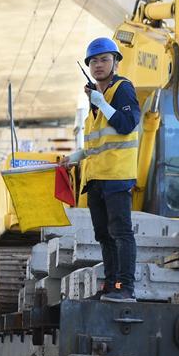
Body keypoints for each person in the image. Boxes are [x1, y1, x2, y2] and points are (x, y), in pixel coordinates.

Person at [62, 37, 140, 303]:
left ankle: (124, 288)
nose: (98, 65)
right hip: (96, 179)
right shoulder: (96, 102)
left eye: (104, 59)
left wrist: (102, 103)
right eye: (93, 61)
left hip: (116, 177)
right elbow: (98, 145)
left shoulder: (122, 89)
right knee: (105, 236)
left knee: (121, 233)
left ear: (115, 62)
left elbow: (127, 124)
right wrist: (75, 157)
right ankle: (111, 286)